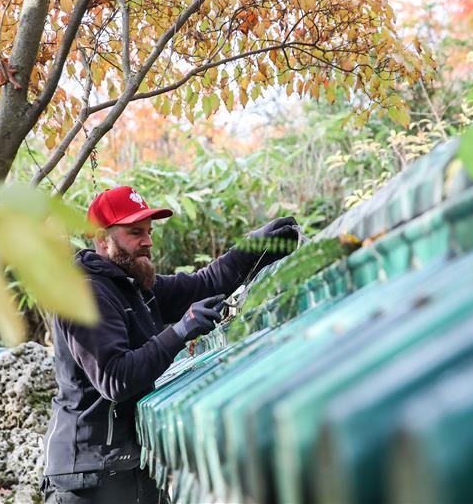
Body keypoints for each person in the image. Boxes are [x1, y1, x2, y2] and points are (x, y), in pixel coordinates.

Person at [41, 185, 297, 503]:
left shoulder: (133, 286)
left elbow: (204, 284)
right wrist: (180, 331)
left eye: (149, 232)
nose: (147, 241)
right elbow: (115, 379)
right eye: (135, 232)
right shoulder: (84, 293)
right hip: (88, 476)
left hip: (130, 465)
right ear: (102, 238)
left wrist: (253, 248)